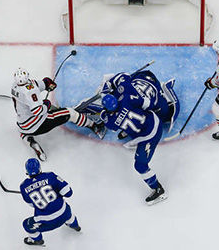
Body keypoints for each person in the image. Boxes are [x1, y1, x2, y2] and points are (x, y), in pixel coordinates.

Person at [99, 70, 180, 205]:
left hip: (151, 134)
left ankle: (159, 190)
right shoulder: (126, 98)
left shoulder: (110, 121)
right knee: (148, 111)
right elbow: (148, 103)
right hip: (151, 121)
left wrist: (104, 93)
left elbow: (105, 117)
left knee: (140, 165)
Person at [11, 67, 105, 161]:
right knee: (70, 113)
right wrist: (46, 105)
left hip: (23, 125)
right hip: (38, 124)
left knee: (23, 131)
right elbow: (37, 111)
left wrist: (45, 83)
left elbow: (32, 85)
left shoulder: (14, 86)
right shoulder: (29, 92)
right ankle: (94, 126)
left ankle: (30, 141)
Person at [20, 158, 81, 246]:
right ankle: (75, 226)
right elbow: (68, 193)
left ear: (27, 171)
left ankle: (37, 241)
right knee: (66, 209)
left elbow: (31, 204)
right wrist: (56, 190)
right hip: (64, 214)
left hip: (46, 223)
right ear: (40, 168)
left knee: (26, 225)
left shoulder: (23, 187)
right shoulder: (51, 176)